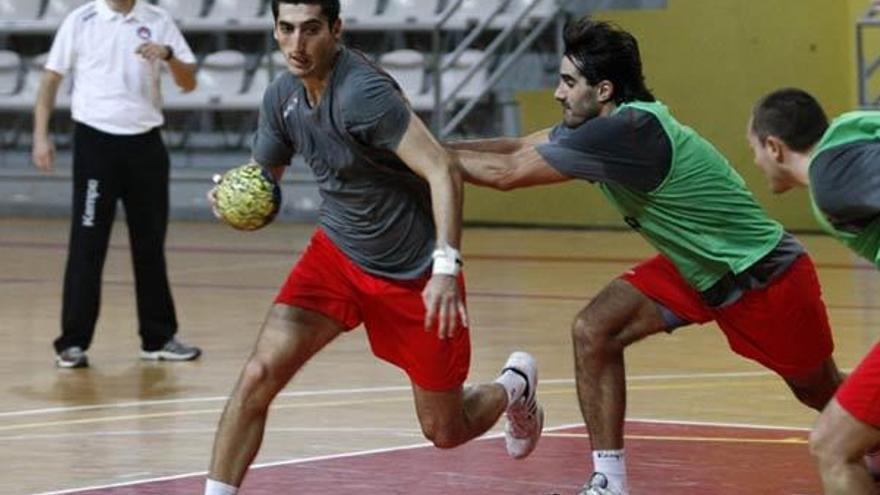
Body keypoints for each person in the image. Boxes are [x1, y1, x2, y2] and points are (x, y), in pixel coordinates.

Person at [447, 18, 844, 495]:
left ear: (605, 89)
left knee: (818, 390)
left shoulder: (627, 132)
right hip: (694, 267)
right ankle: (609, 482)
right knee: (595, 330)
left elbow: (507, 171)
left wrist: (402, 151)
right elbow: (513, 146)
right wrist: (422, 149)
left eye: (569, 83)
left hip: (761, 273)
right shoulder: (604, 123)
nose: (557, 93)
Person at [202, 2, 543, 494]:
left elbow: (442, 169)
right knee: (258, 373)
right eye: (286, 29)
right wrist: (234, 200)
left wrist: (445, 268)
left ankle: (515, 386)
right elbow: (263, 186)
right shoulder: (281, 98)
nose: (297, 45)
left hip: (413, 272)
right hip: (336, 257)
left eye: (311, 30)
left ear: (336, 29)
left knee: (445, 430)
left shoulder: (364, 92)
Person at [32, 0, 202, 368]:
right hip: (96, 144)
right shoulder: (81, 20)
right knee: (88, 242)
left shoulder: (157, 19)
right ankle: (72, 342)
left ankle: (158, 338)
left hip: (146, 144)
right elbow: (50, 79)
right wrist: (40, 136)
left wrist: (169, 55)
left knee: (150, 243)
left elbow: (188, 83)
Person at [749, 87, 880, 495]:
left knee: (832, 447)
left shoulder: (831, 173)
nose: (755, 161)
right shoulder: (846, 146)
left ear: (774, 147)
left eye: (753, 149)